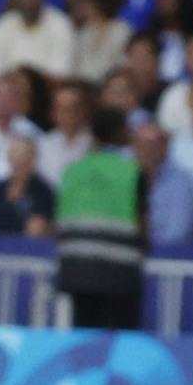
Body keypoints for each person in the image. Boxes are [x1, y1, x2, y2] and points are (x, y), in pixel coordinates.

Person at [53, 105, 146, 328]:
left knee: (85, 340)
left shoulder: (72, 171)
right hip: (119, 274)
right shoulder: (131, 171)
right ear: (119, 133)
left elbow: (59, 222)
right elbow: (142, 223)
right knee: (119, 347)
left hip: (76, 271)